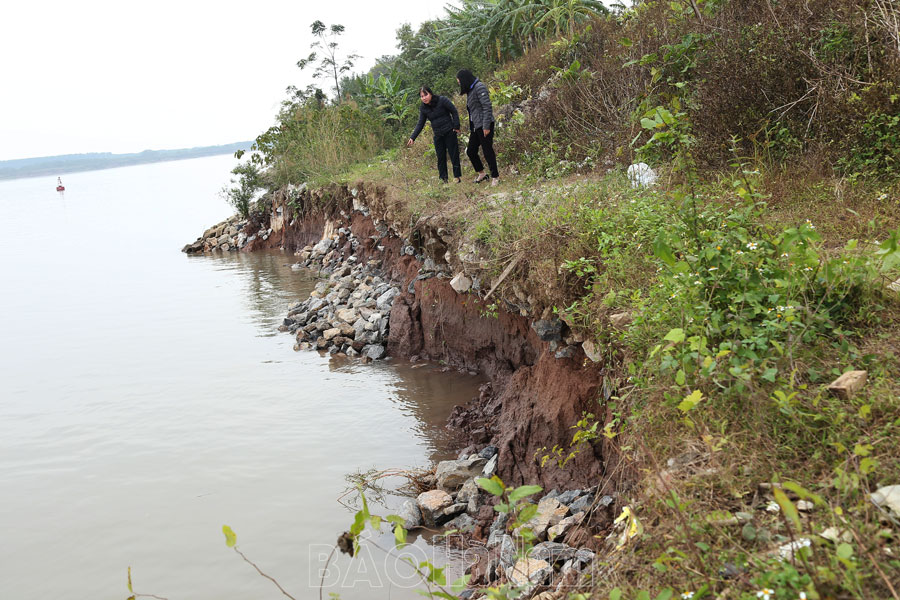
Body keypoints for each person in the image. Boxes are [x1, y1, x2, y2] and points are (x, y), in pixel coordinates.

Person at [407, 86, 462, 183]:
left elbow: (454, 111)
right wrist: (413, 137)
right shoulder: (423, 108)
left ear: (431, 93)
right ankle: (443, 179)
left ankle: (457, 177)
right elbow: (420, 123)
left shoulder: (442, 100)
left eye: (426, 95)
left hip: (449, 131)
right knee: (441, 157)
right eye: (422, 96)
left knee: (454, 155)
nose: (424, 98)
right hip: (438, 134)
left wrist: (456, 126)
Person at [456, 69, 499, 186]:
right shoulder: (471, 90)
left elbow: (487, 107)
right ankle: (482, 173)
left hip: (485, 124)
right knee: (471, 151)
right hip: (476, 126)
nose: (459, 84)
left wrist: (486, 126)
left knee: (487, 151)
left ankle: (495, 177)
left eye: (459, 82)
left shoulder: (479, 87)